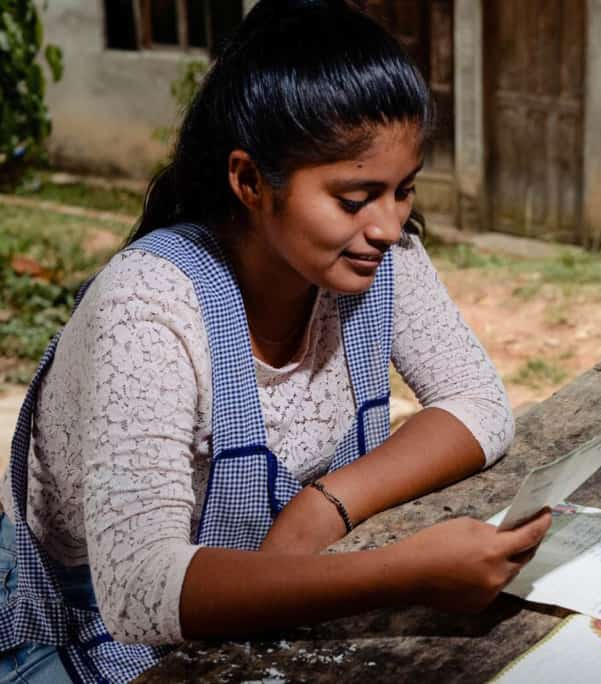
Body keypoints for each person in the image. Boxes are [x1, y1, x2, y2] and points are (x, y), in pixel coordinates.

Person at [0, 1, 552, 681]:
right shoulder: (149, 305)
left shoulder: (380, 259)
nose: (387, 225)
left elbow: (480, 404)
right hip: (86, 629)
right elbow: (141, 593)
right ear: (251, 181)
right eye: (354, 198)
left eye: (403, 191)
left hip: (257, 583)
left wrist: (322, 509)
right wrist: (400, 573)